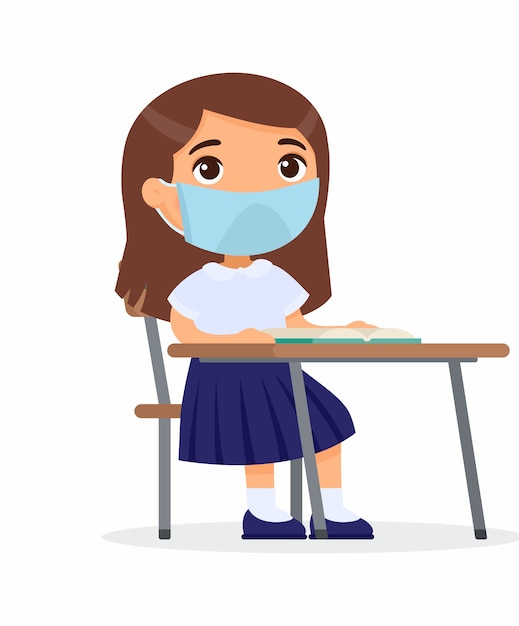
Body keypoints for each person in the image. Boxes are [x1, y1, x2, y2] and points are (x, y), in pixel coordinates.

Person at [116, 73, 373, 539]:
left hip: (279, 370)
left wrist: (343, 330)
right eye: (210, 170)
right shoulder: (196, 282)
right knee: (264, 438)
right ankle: (264, 513)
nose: (254, 194)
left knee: (328, 429)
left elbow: (296, 325)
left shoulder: (274, 276)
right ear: (158, 193)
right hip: (222, 378)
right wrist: (236, 341)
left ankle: (330, 511)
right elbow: (186, 335)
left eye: (289, 169)